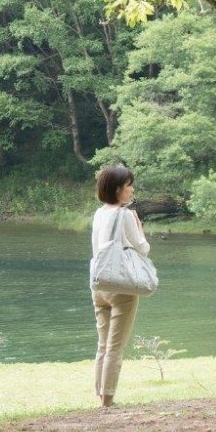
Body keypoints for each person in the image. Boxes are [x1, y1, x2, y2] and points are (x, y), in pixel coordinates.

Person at [91, 165, 150, 407]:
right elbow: (143, 249)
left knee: (103, 344)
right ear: (118, 190)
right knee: (116, 346)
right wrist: (139, 228)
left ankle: (100, 394)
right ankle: (108, 400)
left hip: (99, 285)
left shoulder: (99, 213)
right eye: (129, 185)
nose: (132, 189)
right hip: (122, 286)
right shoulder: (126, 215)